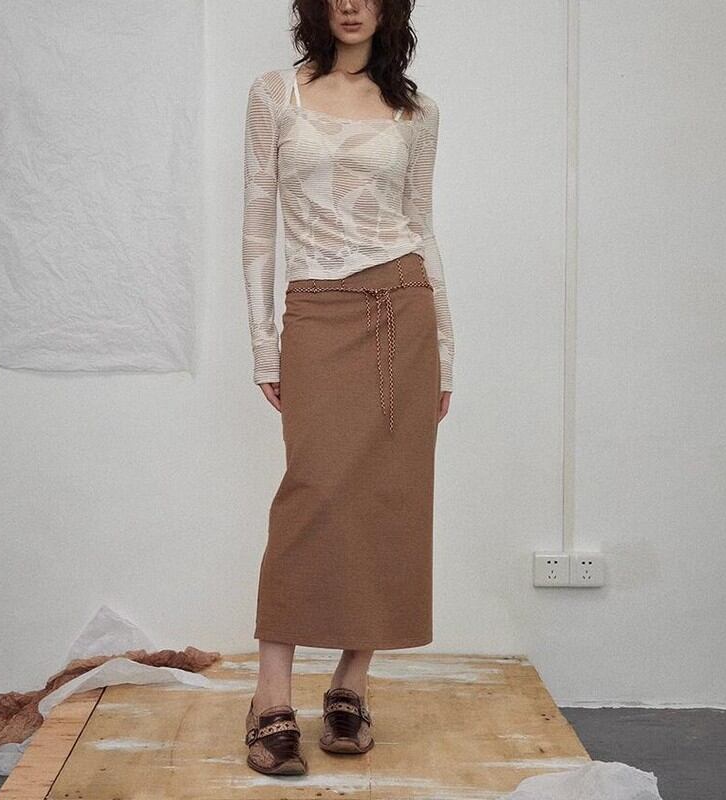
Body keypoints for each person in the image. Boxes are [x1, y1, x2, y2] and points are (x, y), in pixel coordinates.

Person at [240, 0, 455, 775]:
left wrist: (447, 352)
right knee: (314, 492)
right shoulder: (276, 94)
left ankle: (350, 683)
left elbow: (421, 225)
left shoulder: (416, 110)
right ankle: (269, 693)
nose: (353, 4)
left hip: (404, 307)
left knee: (388, 496)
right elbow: (257, 223)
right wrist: (265, 344)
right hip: (318, 309)